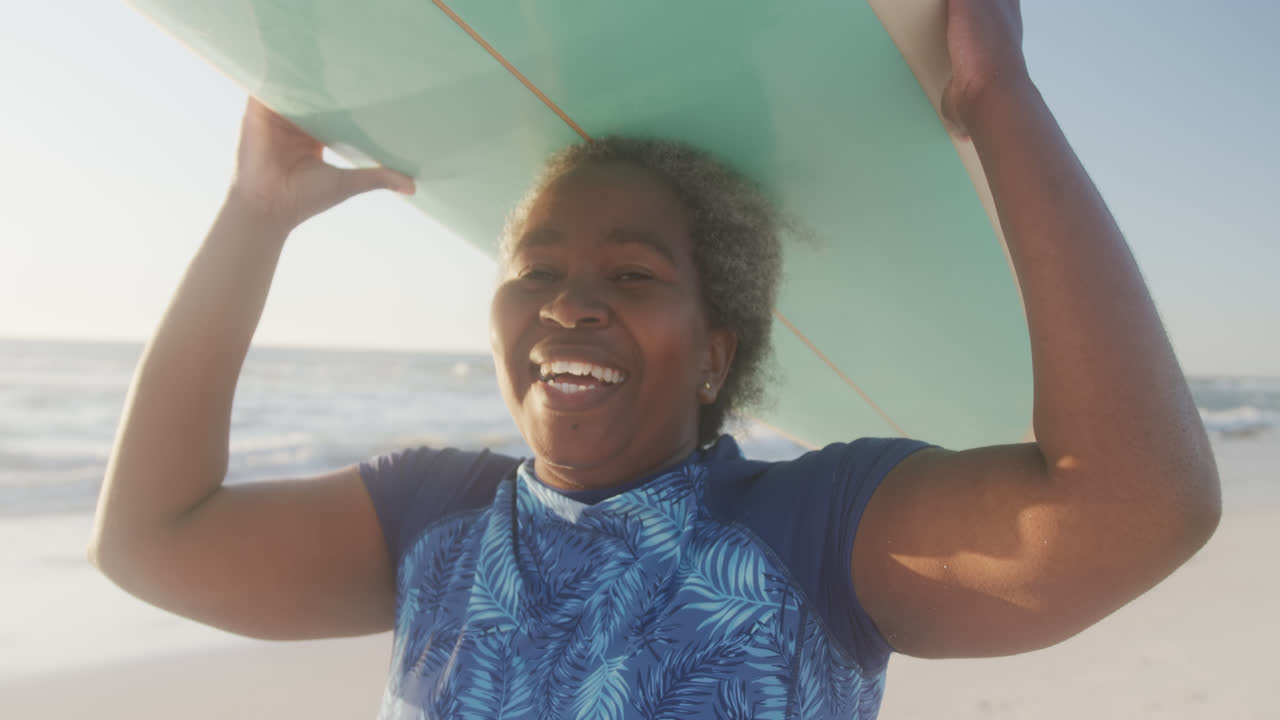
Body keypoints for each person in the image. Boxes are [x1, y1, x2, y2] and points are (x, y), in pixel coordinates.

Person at [89, 1, 1221, 718]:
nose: (568, 302)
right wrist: (254, 213)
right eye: (535, 269)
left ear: (714, 352)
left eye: (630, 275)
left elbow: (1134, 506)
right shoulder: (432, 517)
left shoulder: (809, 532)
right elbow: (150, 540)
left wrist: (995, 99)